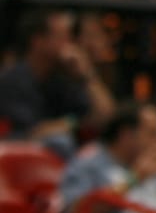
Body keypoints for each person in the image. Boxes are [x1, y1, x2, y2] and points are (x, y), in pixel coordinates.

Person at [0, 9, 117, 151]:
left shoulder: (64, 79)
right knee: (60, 142)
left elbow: (105, 117)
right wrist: (73, 123)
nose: (70, 46)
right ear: (38, 41)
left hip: (65, 158)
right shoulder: (11, 81)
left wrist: (87, 74)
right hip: (22, 156)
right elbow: (34, 132)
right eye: (63, 38)